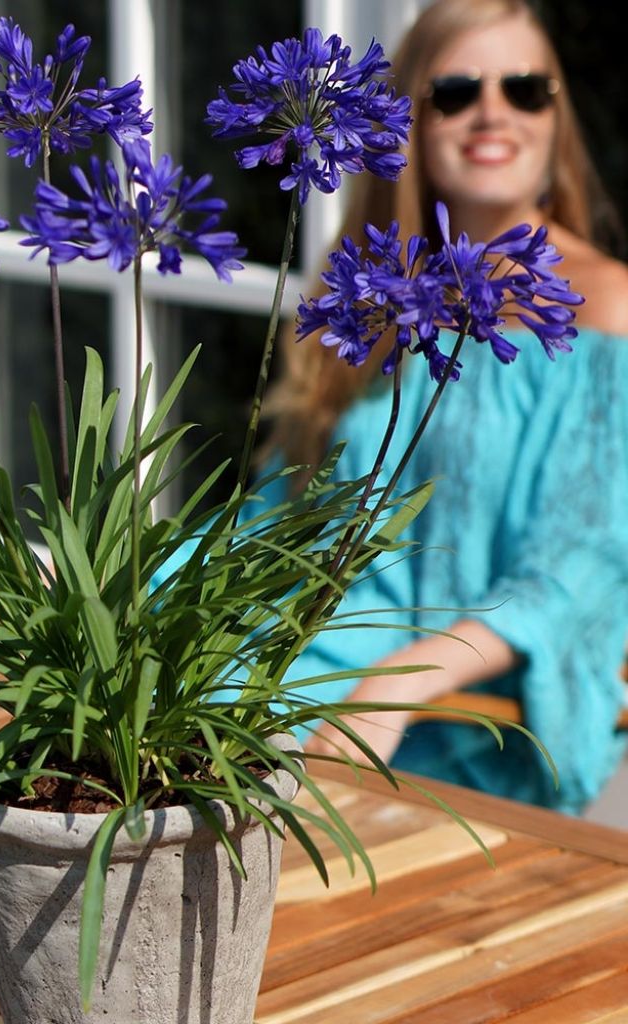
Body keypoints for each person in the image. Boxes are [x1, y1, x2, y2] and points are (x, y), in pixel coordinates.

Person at [267, 0, 628, 813]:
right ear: (411, 123)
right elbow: (282, 513)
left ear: (556, 115)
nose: (492, 112)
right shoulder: (368, 291)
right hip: (291, 675)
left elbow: (589, 560)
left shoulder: (608, 306)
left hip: (459, 722)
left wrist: (406, 673)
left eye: (526, 89)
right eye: (456, 91)